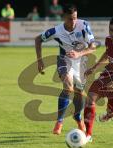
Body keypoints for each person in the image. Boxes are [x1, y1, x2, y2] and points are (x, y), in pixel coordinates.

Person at [35, 4, 96, 135]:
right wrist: (39, 60)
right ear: (63, 17)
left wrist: (79, 54)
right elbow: (38, 39)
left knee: (79, 92)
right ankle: (59, 122)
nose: (73, 21)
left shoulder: (84, 25)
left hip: (81, 61)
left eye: (75, 18)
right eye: (70, 19)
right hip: (65, 59)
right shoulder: (57, 31)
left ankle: (77, 117)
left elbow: (93, 46)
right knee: (68, 87)